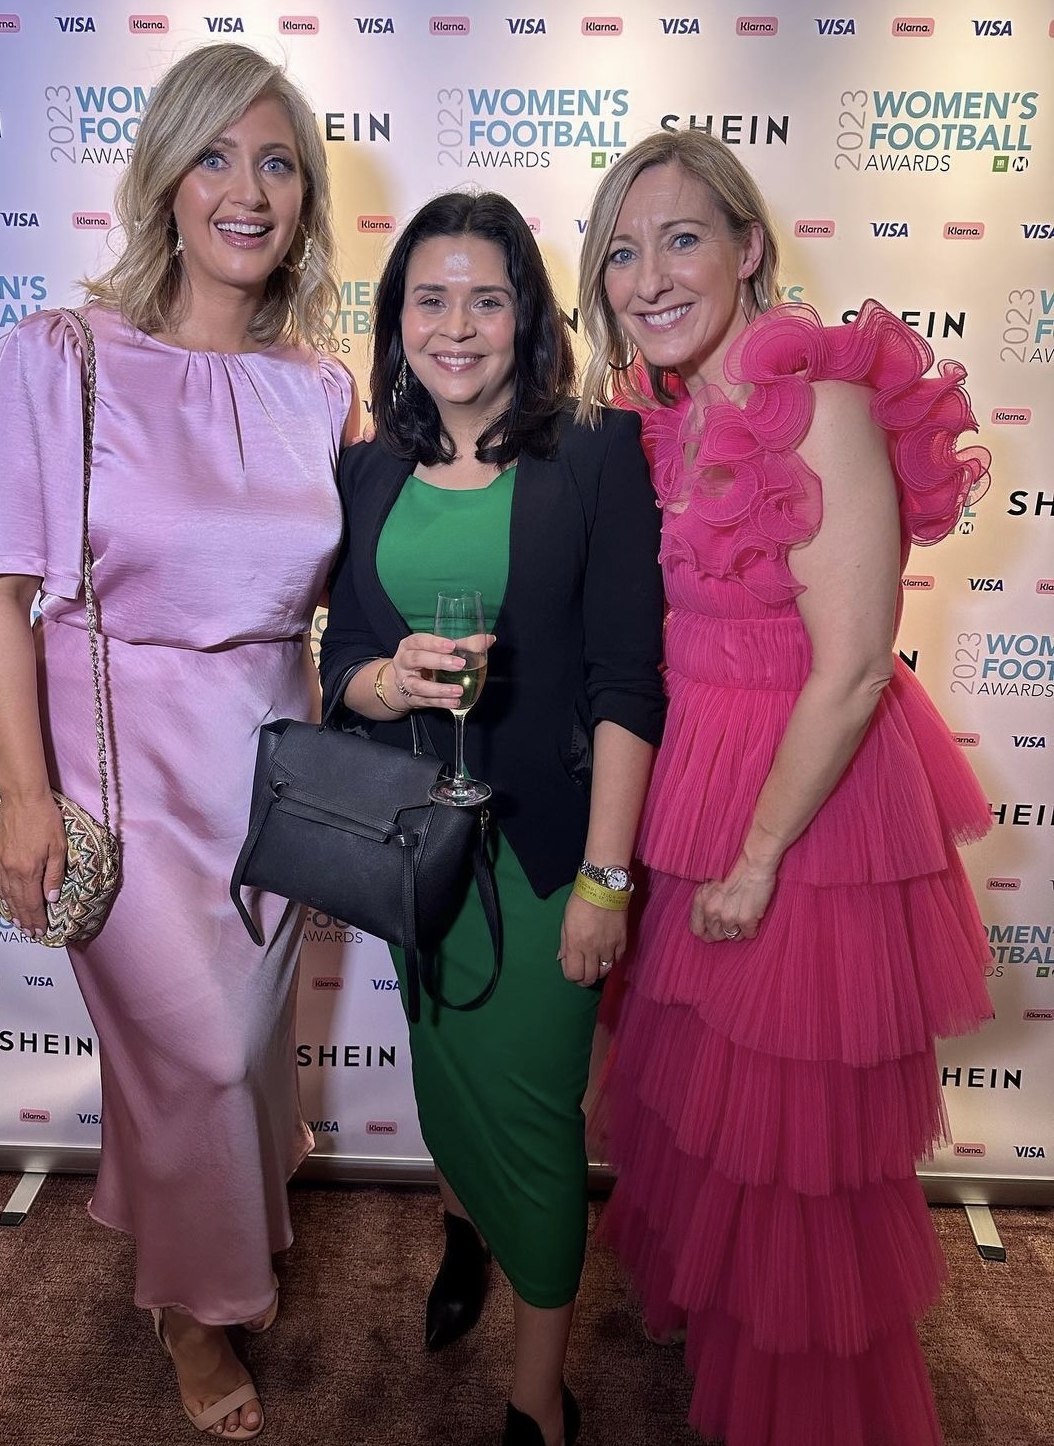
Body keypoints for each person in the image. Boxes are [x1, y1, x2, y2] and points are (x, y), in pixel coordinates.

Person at [0, 43, 355, 1441]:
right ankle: (194, 1308)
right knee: (197, 1057)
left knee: (234, 1057)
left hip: (274, 775)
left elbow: (353, 596)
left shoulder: (321, 389)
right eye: (216, 157)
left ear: (304, 198)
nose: (248, 190)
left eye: (278, 162)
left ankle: (205, 1233)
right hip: (119, 782)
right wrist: (25, 794)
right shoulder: (60, 357)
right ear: (164, 182)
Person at [576, 129, 994, 1446]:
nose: (649, 277)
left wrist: (756, 857)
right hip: (695, 785)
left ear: (749, 245)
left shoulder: (823, 404)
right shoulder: (668, 413)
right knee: (705, 1112)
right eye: (621, 253)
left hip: (803, 814)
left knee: (793, 1148)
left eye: (680, 239)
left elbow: (857, 665)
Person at [320, 191, 664, 1446]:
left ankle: (537, 1399)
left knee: (535, 1118)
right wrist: (388, 678)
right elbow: (340, 663)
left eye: (486, 298)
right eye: (430, 298)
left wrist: (606, 883)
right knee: (448, 1086)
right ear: (396, 319)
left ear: (529, 316)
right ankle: (463, 1237)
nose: (456, 326)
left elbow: (628, 684)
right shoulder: (366, 469)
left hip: (545, 856)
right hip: (416, 853)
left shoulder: (597, 454)